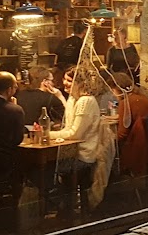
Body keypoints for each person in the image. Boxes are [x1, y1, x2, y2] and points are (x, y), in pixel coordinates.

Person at [50, 72, 101, 212]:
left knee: (54, 169)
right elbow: (69, 124)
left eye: (69, 80)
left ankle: (64, 210)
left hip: (85, 154)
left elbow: (75, 133)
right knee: (52, 167)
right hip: (73, 151)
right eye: (64, 79)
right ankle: (63, 208)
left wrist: (47, 134)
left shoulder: (86, 101)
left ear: (80, 83)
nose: (65, 83)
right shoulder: (73, 99)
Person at [0, 72, 25, 219]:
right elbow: (17, 139)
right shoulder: (14, 110)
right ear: (9, 90)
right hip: (5, 162)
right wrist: (15, 107)